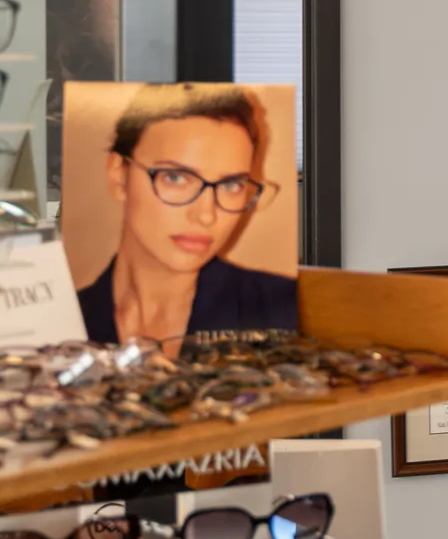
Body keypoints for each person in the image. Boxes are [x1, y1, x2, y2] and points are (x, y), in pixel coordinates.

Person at [77, 84, 298, 345]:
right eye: (175, 177)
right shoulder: (62, 322)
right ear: (119, 176)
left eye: (231, 185)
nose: (206, 216)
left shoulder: (284, 309)